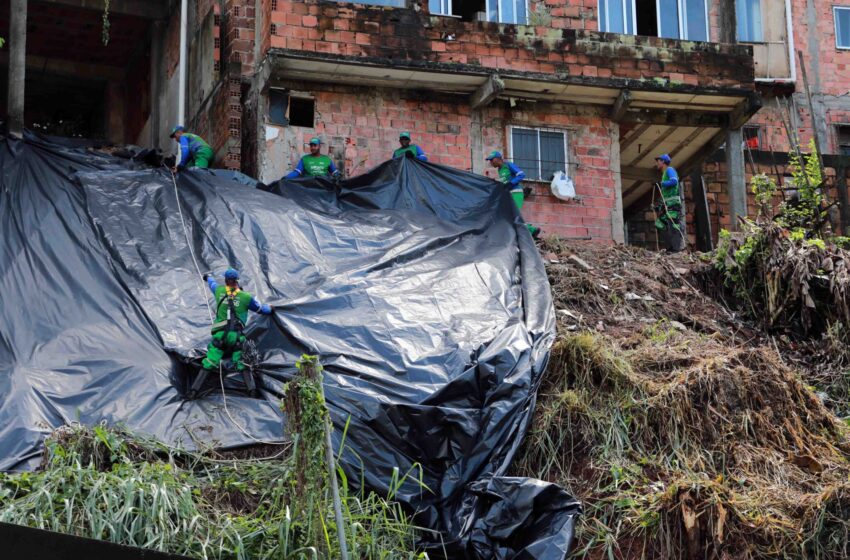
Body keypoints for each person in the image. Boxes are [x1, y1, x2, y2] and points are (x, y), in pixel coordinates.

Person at [187, 268, 273, 399]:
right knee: (242, 362)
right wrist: (271, 309)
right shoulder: (246, 297)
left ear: (226, 281)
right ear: (237, 281)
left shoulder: (219, 291)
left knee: (210, 361)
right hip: (236, 338)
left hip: (220, 336)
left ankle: (193, 392)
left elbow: (212, 283)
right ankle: (252, 392)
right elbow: (262, 310)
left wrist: (207, 277)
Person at [485, 150, 541, 238]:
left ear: (497, 159)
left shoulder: (508, 165)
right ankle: (531, 230)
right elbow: (505, 181)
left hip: (516, 193)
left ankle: (532, 230)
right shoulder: (500, 169)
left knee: (513, 214)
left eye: (492, 160)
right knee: (509, 216)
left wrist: (511, 183)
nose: (491, 162)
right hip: (509, 194)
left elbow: (521, 174)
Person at [653, 154, 685, 253]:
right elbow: (665, 194)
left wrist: (661, 184)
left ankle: (675, 249)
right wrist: (658, 205)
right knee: (660, 223)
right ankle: (669, 248)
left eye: (658, 161)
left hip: (673, 203)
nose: (657, 163)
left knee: (673, 225)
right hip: (667, 204)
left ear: (663, 161)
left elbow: (674, 181)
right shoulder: (664, 174)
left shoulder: (670, 170)